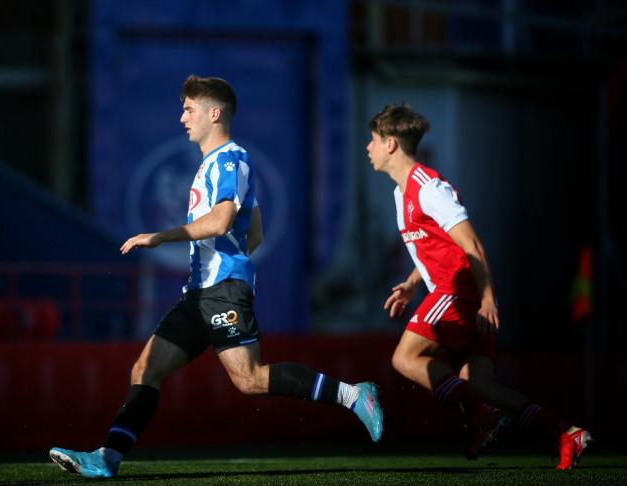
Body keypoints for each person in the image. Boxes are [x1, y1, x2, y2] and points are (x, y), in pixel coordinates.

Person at [49, 76, 383, 479]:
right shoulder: (216, 164)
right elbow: (252, 231)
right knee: (145, 370)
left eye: (189, 109)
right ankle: (107, 458)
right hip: (200, 294)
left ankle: (353, 395)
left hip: (221, 291)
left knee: (250, 379)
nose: (182, 117)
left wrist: (162, 238)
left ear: (215, 112)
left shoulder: (230, 159)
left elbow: (223, 220)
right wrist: (230, 264)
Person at [366, 103, 591, 470]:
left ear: (391, 144)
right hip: (460, 292)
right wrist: (410, 283)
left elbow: (472, 245)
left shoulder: (429, 187)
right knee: (480, 383)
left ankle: (481, 416)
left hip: (458, 291)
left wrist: (488, 299)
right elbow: (433, 247)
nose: (368, 148)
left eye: (373, 140)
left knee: (404, 358)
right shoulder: (399, 193)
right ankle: (566, 433)